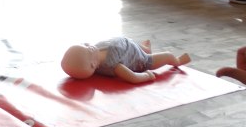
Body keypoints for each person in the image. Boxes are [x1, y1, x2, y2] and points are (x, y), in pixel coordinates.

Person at [61, 38, 190, 83]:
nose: (88, 45)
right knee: (167, 55)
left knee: (139, 47)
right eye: (87, 48)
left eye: (85, 44)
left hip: (129, 45)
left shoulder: (95, 57)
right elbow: (132, 77)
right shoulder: (112, 65)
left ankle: (145, 49)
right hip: (140, 59)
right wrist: (147, 75)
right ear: (93, 64)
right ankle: (177, 61)